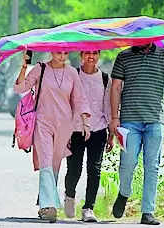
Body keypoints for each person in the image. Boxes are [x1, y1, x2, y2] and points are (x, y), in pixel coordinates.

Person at [109, 32, 164, 225]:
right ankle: (124, 193)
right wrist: (114, 117)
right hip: (130, 120)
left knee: (152, 166)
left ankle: (148, 211)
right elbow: (115, 88)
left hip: (155, 120)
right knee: (127, 163)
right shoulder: (124, 56)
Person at [14, 51, 91, 222]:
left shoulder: (71, 72)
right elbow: (20, 88)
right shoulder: (40, 69)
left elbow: (79, 99)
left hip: (64, 125)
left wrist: (85, 122)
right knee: (46, 162)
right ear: (51, 52)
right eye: (58, 53)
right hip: (43, 123)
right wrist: (24, 67)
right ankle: (49, 207)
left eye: (65, 53)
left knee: (54, 165)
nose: (62, 56)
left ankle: (44, 202)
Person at [64, 50, 111, 222]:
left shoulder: (105, 78)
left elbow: (108, 106)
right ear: (81, 55)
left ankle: (88, 208)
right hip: (75, 130)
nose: (91, 57)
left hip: (98, 130)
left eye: (95, 53)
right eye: (87, 53)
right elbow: (67, 104)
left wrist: (112, 133)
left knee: (95, 169)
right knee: (74, 169)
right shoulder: (73, 75)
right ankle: (69, 196)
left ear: (99, 55)